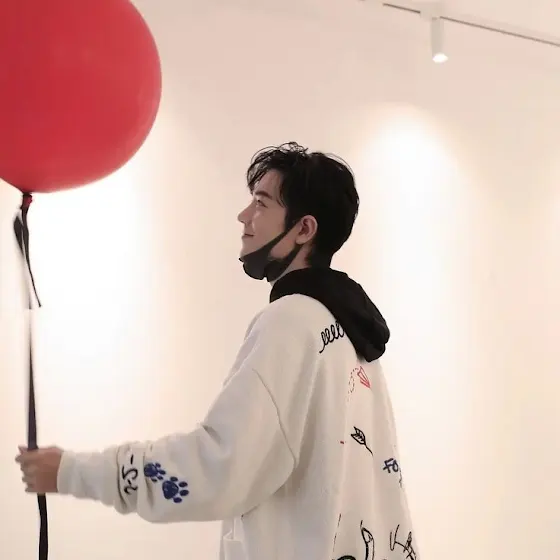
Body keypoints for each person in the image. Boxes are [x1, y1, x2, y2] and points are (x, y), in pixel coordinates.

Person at [16, 142, 419, 560]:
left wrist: (71, 472)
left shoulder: (291, 321)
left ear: (304, 229)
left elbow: (215, 468)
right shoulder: (350, 332)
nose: (244, 216)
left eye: (261, 203)